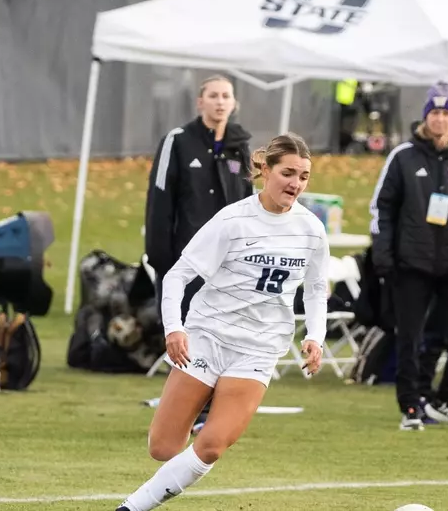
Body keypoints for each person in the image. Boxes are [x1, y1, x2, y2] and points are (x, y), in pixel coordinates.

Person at [118, 134, 329, 511]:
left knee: (212, 447)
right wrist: (174, 328)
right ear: (265, 170)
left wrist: (315, 336)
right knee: (162, 447)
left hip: (259, 347)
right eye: (288, 173)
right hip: (207, 336)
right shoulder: (233, 220)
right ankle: (206, 400)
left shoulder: (311, 229)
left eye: (304, 176)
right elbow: (176, 276)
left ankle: (131, 507)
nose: (296, 183)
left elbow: (315, 288)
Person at [369, 82, 448, 432]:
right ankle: (411, 405)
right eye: (434, 113)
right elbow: (382, 208)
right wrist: (385, 257)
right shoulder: (403, 156)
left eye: (446, 113)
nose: (440, 120)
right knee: (409, 336)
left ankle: (444, 397)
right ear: (425, 117)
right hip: (412, 263)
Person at [145, 75, 253, 433]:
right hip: (187, 260)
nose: (220, 102)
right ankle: (183, 410)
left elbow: (249, 202)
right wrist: (161, 258)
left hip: (229, 263)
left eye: (226, 96)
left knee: (224, 335)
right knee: (187, 336)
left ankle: (210, 412)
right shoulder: (177, 142)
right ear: (200, 102)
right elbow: (159, 201)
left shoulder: (241, 146)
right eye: (213, 96)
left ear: (234, 103)